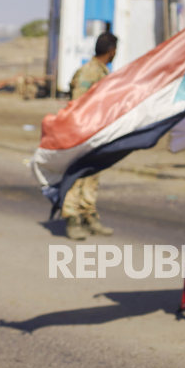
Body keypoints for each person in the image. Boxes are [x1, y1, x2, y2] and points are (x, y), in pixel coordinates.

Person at [62, 31, 118, 240]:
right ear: (111, 51)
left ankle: (89, 215)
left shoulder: (101, 72)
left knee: (91, 176)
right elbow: (77, 104)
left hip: (96, 133)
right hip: (82, 132)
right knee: (77, 177)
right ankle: (72, 219)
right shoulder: (89, 73)